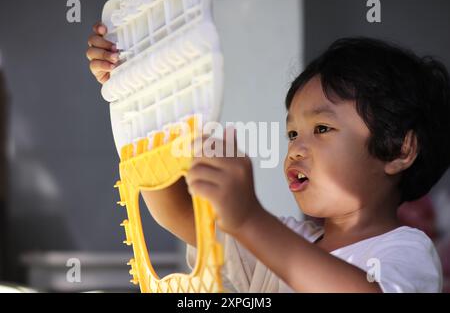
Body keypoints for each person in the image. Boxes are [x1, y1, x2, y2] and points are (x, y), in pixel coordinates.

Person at [87, 24, 450, 292]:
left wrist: (249, 219)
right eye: (292, 133)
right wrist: (138, 90)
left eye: (322, 129)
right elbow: (175, 210)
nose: (295, 148)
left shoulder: (407, 251)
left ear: (400, 149)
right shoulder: (279, 238)